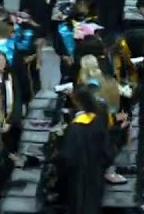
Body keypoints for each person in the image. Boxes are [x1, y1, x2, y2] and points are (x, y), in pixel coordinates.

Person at [55, 85, 108, 214]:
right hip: (95, 178)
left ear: (77, 102)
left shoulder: (75, 129)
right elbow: (107, 152)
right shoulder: (98, 121)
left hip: (78, 180)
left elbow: (67, 157)